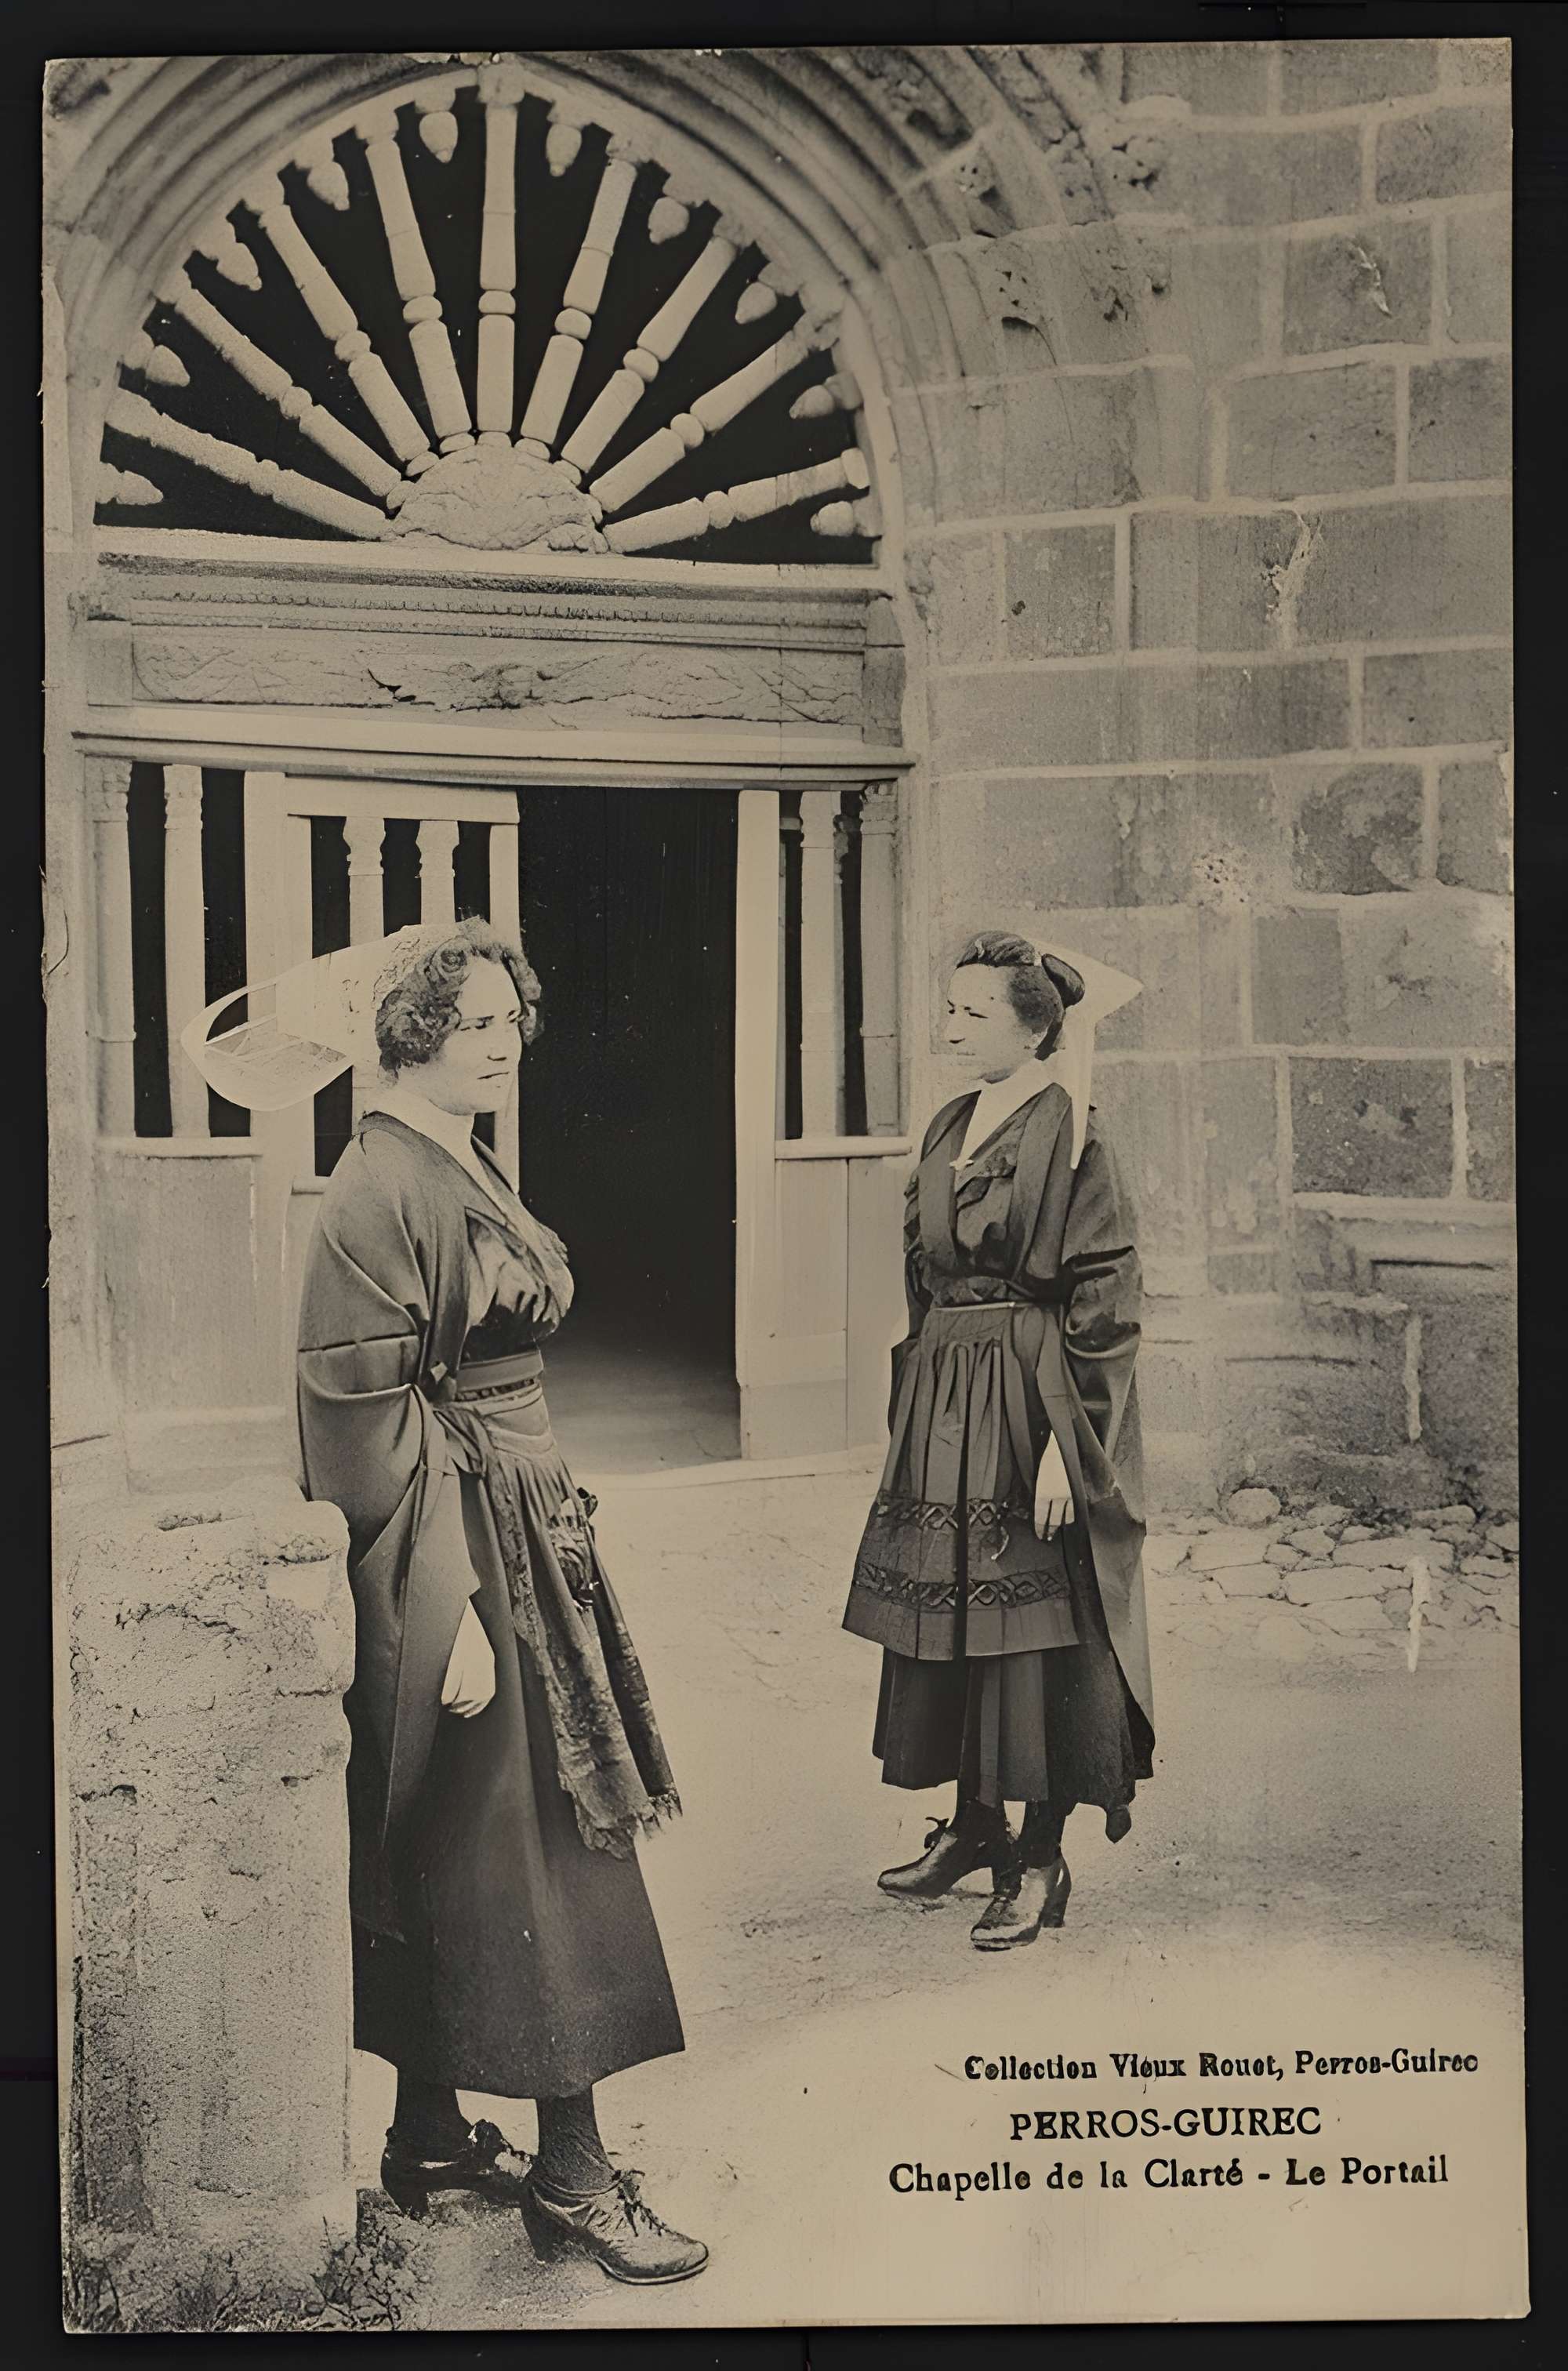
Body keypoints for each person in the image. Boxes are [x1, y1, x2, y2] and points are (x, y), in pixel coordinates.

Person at [183, 918, 708, 2286]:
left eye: (508, 1018)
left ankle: (427, 2139)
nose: (503, 1041)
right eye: (473, 1021)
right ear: (406, 1034)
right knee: (540, 1841)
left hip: (518, 1523)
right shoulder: (378, 1179)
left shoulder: (454, 1155)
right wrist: (455, 1600)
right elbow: (354, 1410)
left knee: (472, 1840)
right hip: (460, 1552)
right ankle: (577, 2175)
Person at [841, 931, 1155, 1950]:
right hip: (946, 1397)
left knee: (1032, 1629)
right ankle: (974, 1829)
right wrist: (916, 1393)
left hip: (1032, 1404)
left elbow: (1105, 1301)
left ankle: (1039, 1854)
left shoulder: (1074, 1135)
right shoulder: (950, 1122)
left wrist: (1074, 1445)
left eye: (974, 1012)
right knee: (953, 1614)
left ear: (1034, 1024)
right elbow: (923, 1276)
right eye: (952, 1007)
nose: (951, 1026)